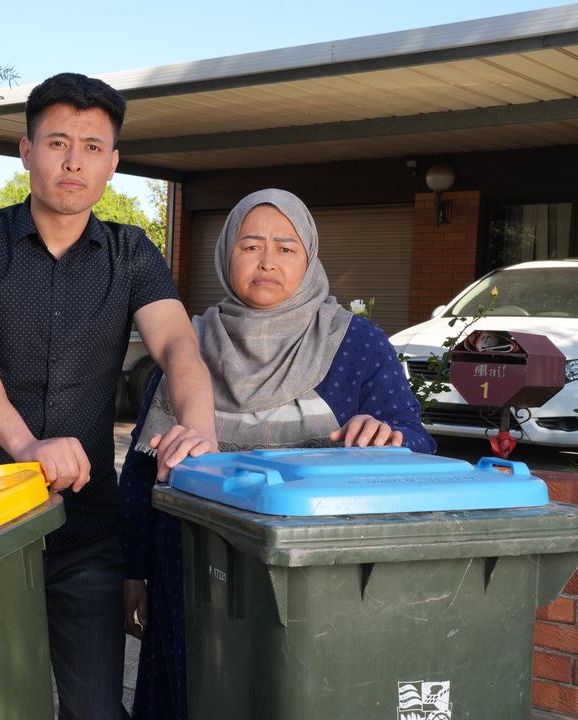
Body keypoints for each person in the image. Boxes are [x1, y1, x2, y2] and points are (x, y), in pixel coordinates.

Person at [0, 72, 217, 720]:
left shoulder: (132, 253)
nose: (74, 160)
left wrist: (199, 429)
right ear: (26, 151)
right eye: (58, 141)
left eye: (92, 146)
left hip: (87, 528)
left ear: (113, 164)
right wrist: (24, 443)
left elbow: (178, 346)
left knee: (95, 709)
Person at [119, 188, 437, 720]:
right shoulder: (186, 343)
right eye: (251, 245)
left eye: (286, 248)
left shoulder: (354, 343)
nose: (268, 260)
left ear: (309, 258)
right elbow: (142, 470)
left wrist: (387, 433)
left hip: (314, 584)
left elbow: (417, 440)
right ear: (226, 255)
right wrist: (133, 571)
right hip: (191, 575)